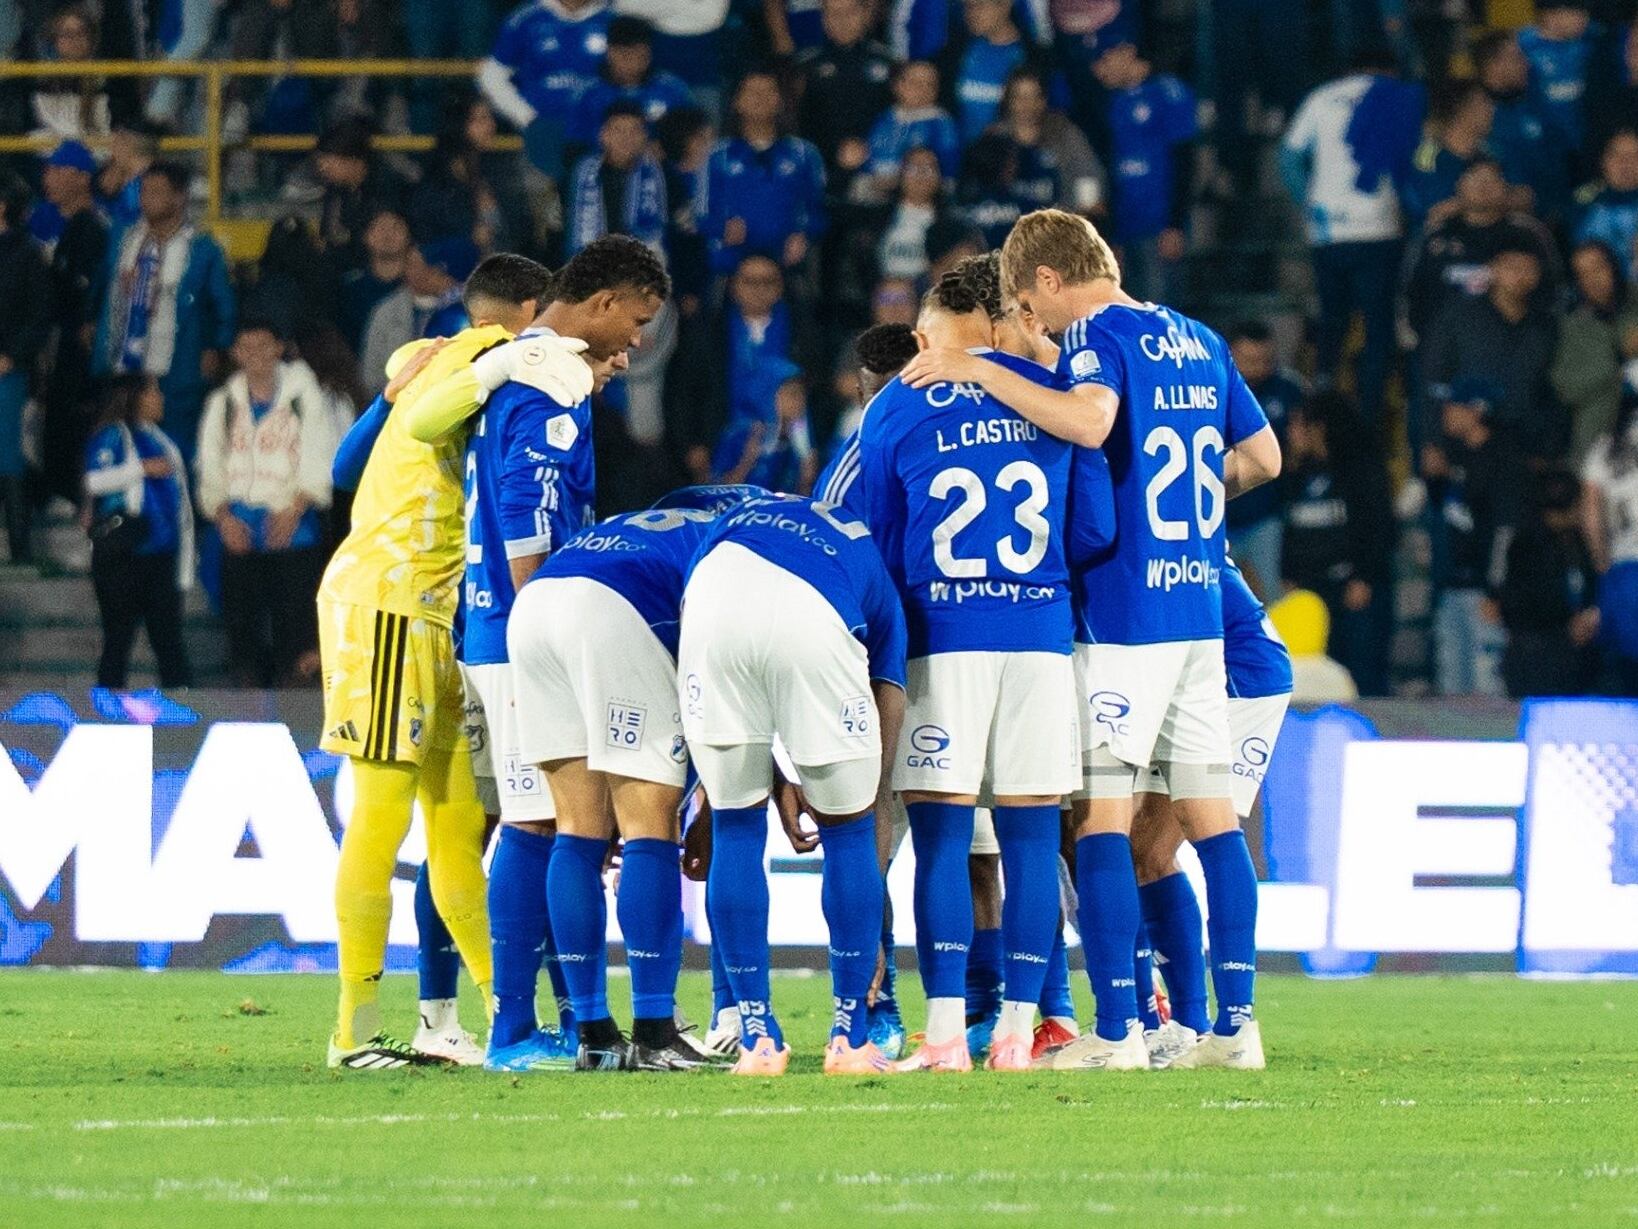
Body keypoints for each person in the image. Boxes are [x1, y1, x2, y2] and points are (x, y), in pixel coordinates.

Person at [901, 208, 1281, 1070]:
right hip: (1197, 613)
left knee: (1104, 819)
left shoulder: (1095, 335)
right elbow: (1264, 459)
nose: (1031, 324)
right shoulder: (1198, 338)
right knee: (1215, 823)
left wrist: (973, 365)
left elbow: (1089, 422)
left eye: (1024, 305)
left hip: (1123, 618)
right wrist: (1188, 509)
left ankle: (1115, 1033)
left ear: (1046, 280)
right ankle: (1236, 1027)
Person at [402, 238, 668, 1072]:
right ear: (602, 301)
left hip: (487, 624)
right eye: (636, 320)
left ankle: (531, 1021)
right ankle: (514, 1029)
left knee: (530, 821)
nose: (636, 342)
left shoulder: (507, 370)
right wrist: (546, 621)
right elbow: (528, 508)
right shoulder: (552, 381)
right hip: (521, 632)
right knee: (535, 822)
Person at [317, 252, 588, 1069]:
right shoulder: (487, 358)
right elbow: (424, 423)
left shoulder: (426, 355)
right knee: (382, 812)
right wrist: (501, 361)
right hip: (390, 599)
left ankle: (510, 1020)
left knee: (457, 824)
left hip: (439, 609)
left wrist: (389, 398)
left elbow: (345, 467)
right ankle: (354, 1032)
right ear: (532, 310)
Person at [853, 269, 1114, 1073]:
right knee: (1033, 839)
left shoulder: (895, 403)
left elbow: (875, 543)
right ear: (1000, 324)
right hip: (1038, 640)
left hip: (943, 638)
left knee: (941, 842)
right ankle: (1017, 1032)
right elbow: (1094, 529)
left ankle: (942, 1036)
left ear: (925, 335)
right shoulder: (1050, 393)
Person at [508, 484, 763, 1071]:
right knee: (650, 825)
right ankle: (654, 1031)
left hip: (536, 605)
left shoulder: (644, 521)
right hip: (617, 609)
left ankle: (594, 1035)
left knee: (576, 830)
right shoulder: (733, 546)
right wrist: (707, 803)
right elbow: (720, 687)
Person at [679, 492, 908, 1075]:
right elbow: (882, 753)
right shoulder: (872, 567)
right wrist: (859, 800)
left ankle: (756, 1038)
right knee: (850, 833)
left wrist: (735, 786)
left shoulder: (732, 522)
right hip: (815, 611)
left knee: (735, 828)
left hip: (711, 603)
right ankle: (849, 1037)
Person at [1127, 556, 1292, 1068]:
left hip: (1236, 673)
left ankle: (1228, 1024)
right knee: (1146, 849)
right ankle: (1191, 1026)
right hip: (1203, 660)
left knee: (1192, 831)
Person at [194, 318, 336, 687]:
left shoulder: (305, 397)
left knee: (297, 630)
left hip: (294, 528)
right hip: (239, 526)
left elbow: (320, 456)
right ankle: (249, 696)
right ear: (236, 353)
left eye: (263, 346)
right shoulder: (224, 402)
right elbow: (210, 463)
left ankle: (296, 698)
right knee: (243, 635)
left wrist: (296, 507)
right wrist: (222, 516)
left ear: (278, 348)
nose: (255, 355)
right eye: (247, 347)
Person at [1280, 50, 1419, 424]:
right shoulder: (1396, 95)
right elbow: (1410, 161)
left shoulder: (1322, 96)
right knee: (1378, 327)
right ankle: (1370, 413)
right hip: (1379, 227)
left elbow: (1288, 157)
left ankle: (1324, 407)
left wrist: (1310, 202)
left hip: (1329, 231)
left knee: (1332, 322)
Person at [94, 161, 236, 465]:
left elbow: (223, 305)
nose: (147, 199)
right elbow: (102, 285)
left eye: (157, 192)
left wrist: (216, 347)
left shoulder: (202, 249)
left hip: (178, 366)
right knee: (120, 443)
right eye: (144, 191)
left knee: (177, 448)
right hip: (123, 365)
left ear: (179, 197)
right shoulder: (124, 239)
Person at [1279, 391, 1395, 697]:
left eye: (1298, 425)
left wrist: (1364, 576)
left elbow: (1378, 527)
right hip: (1311, 590)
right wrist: (1289, 573)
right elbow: (1292, 528)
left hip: (1352, 589)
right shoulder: (1298, 474)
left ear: (1318, 428)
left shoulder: (1359, 470)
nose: (1291, 433)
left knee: (1361, 673)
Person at [82, 374, 193, 689]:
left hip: (162, 555)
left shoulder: (161, 439)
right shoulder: (113, 435)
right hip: (124, 556)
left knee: (168, 640)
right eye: (153, 392)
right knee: (118, 639)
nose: (161, 398)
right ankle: (107, 708)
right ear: (135, 397)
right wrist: (141, 469)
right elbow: (94, 480)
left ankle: (180, 706)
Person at [1422, 377, 1526, 698]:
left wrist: (1495, 591)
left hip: (1483, 594)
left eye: (1453, 405)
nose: (1445, 412)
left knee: (1486, 689)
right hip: (1452, 589)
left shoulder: (1502, 459)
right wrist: (1435, 482)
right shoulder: (1455, 457)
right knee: (1451, 690)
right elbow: (1452, 518)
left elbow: (1505, 532)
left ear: (1476, 411)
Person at [1422, 245, 1564, 459]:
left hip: (1528, 443)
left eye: (1529, 269)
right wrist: (1433, 441)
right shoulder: (1460, 317)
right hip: (1467, 438)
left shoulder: (1547, 327)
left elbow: (1551, 391)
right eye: (1512, 267)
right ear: (1493, 269)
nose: (1520, 276)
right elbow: (1433, 379)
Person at [1092, 42, 1197, 304]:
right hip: (1127, 228)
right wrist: (1112, 234)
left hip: (1159, 227)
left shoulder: (1168, 92)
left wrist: (1175, 224)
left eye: (1104, 59)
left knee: (1159, 308)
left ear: (1127, 52)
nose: (1098, 70)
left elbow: (1184, 159)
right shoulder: (1113, 101)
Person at [703, 68, 827, 278]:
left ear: (780, 101)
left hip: (787, 261)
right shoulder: (716, 156)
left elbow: (817, 208)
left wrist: (803, 234)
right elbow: (699, 211)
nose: (760, 99)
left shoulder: (805, 154)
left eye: (769, 91)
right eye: (752, 92)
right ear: (736, 101)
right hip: (730, 261)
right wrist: (720, 227)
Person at [39, 140, 109, 508]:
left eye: (57, 169)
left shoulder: (91, 229)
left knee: (74, 426)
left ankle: (80, 502)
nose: (47, 178)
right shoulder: (66, 228)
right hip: (63, 347)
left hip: (81, 354)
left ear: (82, 178)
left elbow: (85, 295)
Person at [479, 0, 612, 177]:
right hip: (541, 142)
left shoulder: (614, 16)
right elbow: (491, 76)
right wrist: (527, 118)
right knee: (541, 193)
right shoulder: (526, 19)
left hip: (598, 139)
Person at [1498, 468, 1601, 697]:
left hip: (1576, 660)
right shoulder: (1526, 546)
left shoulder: (1577, 543)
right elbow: (1521, 605)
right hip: (1538, 659)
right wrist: (1564, 627)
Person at [1225, 322, 1299, 597]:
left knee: (1273, 596)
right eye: (1249, 360)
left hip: (1265, 516)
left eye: (1264, 360)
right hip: (1219, 516)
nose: (1257, 368)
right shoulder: (1211, 388)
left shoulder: (1288, 390)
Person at [0, 173, 51, 564]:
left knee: (10, 456)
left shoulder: (27, 254)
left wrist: (13, 356)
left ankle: (20, 549)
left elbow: (39, 314)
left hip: (8, 372)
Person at [1553, 240, 1638, 470]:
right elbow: (1566, 388)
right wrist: (1616, 358)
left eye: (1598, 267)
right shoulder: (1574, 327)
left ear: (1614, 266)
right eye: (1583, 274)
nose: (1593, 279)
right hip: (1601, 446)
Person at [358, 239, 480, 397]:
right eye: (411, 264)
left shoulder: (466, 309)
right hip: (398, 400)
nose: (418, 272)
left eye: (426, 266)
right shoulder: (388, 311)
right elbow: (371, 373)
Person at [1473, 28, 1569, 226]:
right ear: (1494, 66)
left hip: (1551, 219)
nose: (1527, 63)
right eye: (1517, 57)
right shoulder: (1475, 117)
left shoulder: (1536, 105)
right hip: (1498, 223)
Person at [794, 0, 895, 185]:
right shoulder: (805, 66)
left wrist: (867, 149)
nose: (843, 21)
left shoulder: (888, 63)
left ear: (865, 14)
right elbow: (799, 124)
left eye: (850, 13)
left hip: (879, 168)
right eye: (834, 14)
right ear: (824, 19)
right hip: (822, 168)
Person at [1581, 389, 1638, 696]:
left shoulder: (1606, 447)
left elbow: (1590, 515)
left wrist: (1601, 561)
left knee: (1624, 666)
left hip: (1624, 565)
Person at [989, 69, 1105, 217]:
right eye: (1020, 97)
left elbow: (1088, 177)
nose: (1027, 105)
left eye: (1034, 96)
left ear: (1044, 100)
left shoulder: (1064, 134)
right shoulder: (995, 138)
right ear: (1008, 100)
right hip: (1007, 224)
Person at [566, 15, 693, 149]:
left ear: (648, 55)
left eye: (639, 55)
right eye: (624, 55)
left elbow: (691, 141)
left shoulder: (673, 90)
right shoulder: (587, 94)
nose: (632, 62)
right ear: (609, 53)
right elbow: (575, 146)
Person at [565, 101, 668, 257]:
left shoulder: (662, 175)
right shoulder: (578, 175)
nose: (626, 138)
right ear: (603, 135)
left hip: (645, 262)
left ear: (644, 136)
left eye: (634, 131)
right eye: (618, 130)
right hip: (592, 263)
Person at [1399, 78, 1495, 234]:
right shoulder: (1427, 154)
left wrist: (1471, 203)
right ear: (1462, 110)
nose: (1491, 110)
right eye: (1483, 103)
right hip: (1439, 241)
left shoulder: (1490, 154)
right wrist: (1490, 201)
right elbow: (1434, 209)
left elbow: (1524, 197)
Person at [864, 59, 961, 192]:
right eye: (915, 83)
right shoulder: (885, 117)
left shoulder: (940, 122)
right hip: (874, 185)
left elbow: (948, 164)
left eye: (930, 84)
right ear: (897, 86)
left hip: (917, 191)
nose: (923, 90)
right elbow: (868, 152)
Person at [338, 206, 411, 356]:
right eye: (379, 228)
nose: (388, 234)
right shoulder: (352, 288)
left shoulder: (421, 283)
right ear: (365, 236)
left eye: (395, 227)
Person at [1573, 128, 1638, 280]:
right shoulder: (1582, 208)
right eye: (1616, 155)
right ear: (1603, 162)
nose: (1625, 164)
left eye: (1634, 155)